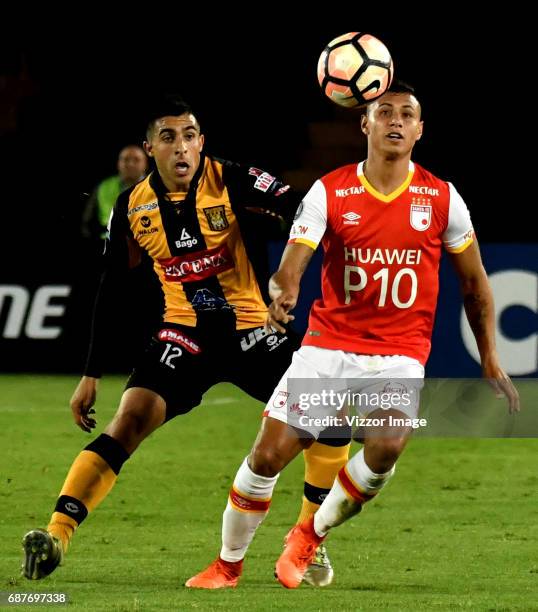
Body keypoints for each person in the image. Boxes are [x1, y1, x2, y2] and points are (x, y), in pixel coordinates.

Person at [186, 81, 520, 589]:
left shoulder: (443, 199)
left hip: (399, 355)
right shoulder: (330, 190)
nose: (396, 121)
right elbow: (293, 261)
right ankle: (227, 565)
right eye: (384, 112)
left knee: (389, 443)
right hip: (327, 349)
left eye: (407, 114)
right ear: (364, 124)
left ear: (420, 130)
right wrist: (283, 289)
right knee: (267, 456)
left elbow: (475, 285)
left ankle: (308, 535)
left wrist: (490, 358)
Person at [22, 95, 350, 587]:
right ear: (149, 147)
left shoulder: (232, 180)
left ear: (202, 143)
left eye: (190, 136)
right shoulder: (133, 207)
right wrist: (90, 373)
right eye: (169, 137)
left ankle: (309, 538)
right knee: (128, 421)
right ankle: (57, 534)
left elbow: (305, 212)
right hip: (185, 336)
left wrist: (291, 273)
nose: (182, 147)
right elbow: (110, 288)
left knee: (330, 417)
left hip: (253, 333)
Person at [81, 144, 148, 242]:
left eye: (136, 160)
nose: (130, 164)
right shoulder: (104, 186)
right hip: (109, 244)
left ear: (145, 163)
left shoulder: (158, 186)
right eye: (125, 159)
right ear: (118, 163)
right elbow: (86, 221)